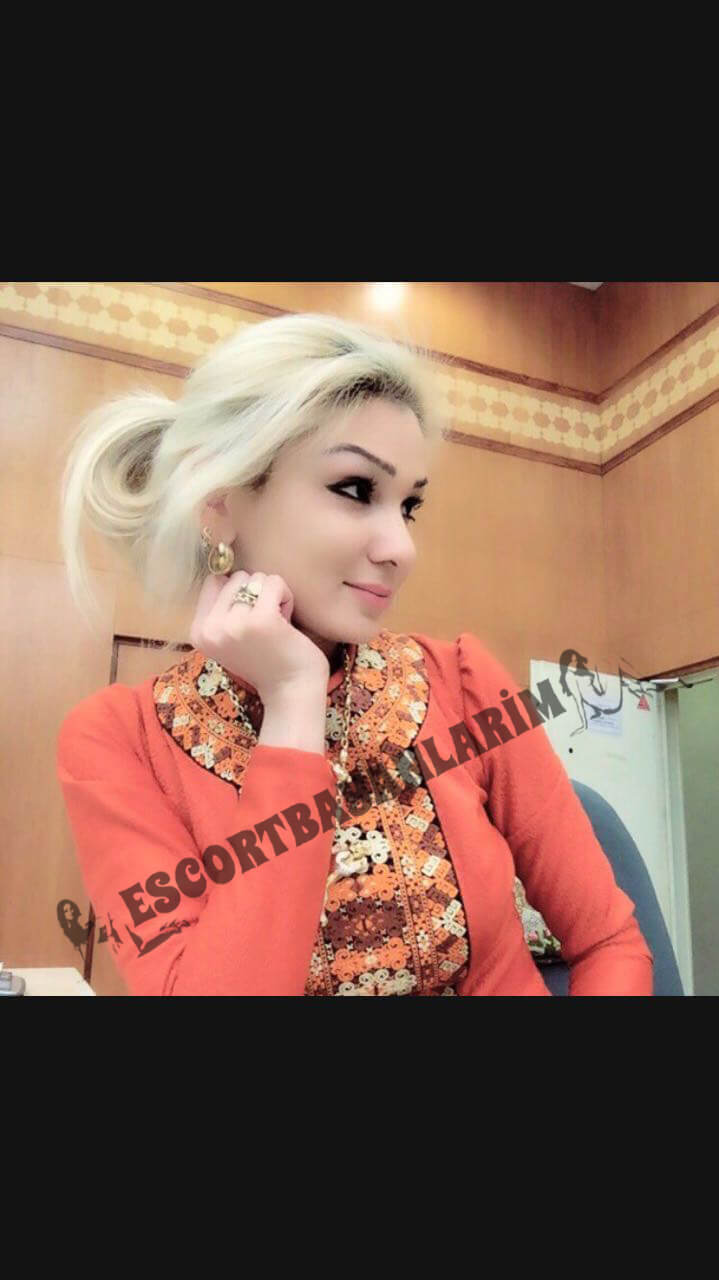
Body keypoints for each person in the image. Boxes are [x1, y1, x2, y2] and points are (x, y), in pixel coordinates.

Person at [55, 311, 654, 996]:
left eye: (408, 505)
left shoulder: (462, 685)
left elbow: (609, 943)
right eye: (355, 489)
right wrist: (292, 702)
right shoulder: (119, 743)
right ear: (219, 502)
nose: (401, 547)